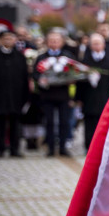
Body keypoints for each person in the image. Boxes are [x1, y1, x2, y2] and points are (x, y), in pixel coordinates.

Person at [0, 27, 30, 157]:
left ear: (14, 40)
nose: (8, 40)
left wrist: (26, 97)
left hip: (16, 96)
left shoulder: (20, 57)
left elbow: (25, 78)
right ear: (0, 40)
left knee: (15, 124)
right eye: (5, 38)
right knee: (0, 124)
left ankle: (15, 149)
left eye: (11, 38)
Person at [33, 28, 77, 156]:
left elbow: (75, 71)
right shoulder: (41, 57)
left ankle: (63, 147)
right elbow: (35, 74)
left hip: (63, 94)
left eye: (57, 41)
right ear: (47, 42)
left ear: (62, 42)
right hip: (47, 95)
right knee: (49, 122)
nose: (54, 43)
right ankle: (51, 147)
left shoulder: (67, 56)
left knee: (64, 121)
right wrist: (41, 79)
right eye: (51, 41)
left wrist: (71, 79)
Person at [75, 33, 109, 150]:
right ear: (90, 46)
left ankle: (103, 147)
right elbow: (79, 83)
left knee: (104, 124)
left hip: (105, 96)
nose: (96, 46)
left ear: (103, 45)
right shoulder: (85, 61)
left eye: (98, 43)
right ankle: (88, 146)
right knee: (89, 124)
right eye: (93, 44)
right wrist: (78, 99)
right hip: (89, 98)